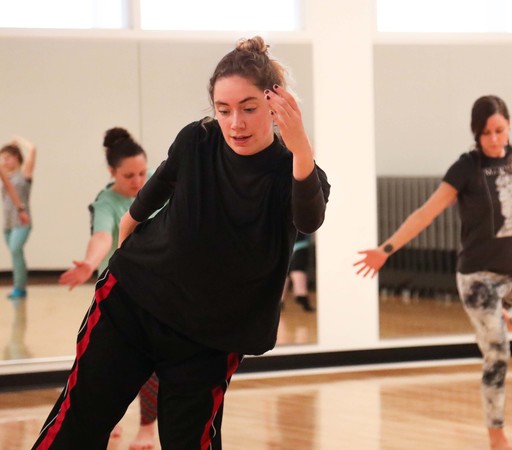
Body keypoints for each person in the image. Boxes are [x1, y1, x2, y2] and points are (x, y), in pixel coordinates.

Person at [32, 36, 330, 449]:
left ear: (275, 104)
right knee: (78, 422)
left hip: (209, 338)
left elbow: (309, 219)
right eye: (223, 110)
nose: (235, 123)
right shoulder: (197, 140)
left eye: (248, 108)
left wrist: (301, 146)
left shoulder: (294, 170)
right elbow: (149, 197)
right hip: (133, 307)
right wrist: (128, 249)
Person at [355, 95, 512, 450]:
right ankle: (497, 435)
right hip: (479, 279)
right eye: (486, 132)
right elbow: (425, 213)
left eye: (499, 130)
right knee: (497, 353)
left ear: (507, 128)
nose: (493, 139)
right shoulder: (466, 168)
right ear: (476, 133)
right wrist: (385, 250)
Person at [57, 127, 159, 450]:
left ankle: (147, 428)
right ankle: (110, 419)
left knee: (151, 364)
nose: (138, 181)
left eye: (143, 172)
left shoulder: (157, 185)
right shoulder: (106, 202)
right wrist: (89, 263)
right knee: (108, 364)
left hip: (158, 293)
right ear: (112, 172)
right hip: (120, 293)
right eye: (129, 175)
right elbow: (102, 237)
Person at [1, 136, 36, 301]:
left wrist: (18, 140)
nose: (5, 161)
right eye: (3, 158)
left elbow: (33, 149)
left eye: (8, 157)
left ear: (16, 158)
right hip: (8, 222)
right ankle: (19, 286)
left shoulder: (24, 174)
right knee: (16, 254)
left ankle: (19, 287)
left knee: (15, 250)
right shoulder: (4, 175)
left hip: (22, 221)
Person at [283, 232, 314, 312]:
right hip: (299, 244)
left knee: (287, 272)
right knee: (297, 270)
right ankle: (301, 296)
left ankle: (281, 300)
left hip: (290, 244)